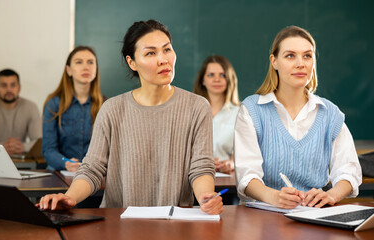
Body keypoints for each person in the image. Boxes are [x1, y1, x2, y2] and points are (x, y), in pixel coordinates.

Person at [38, 19, 223, 215]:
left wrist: (206, 197)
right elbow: (92, 168)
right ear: (132, 62)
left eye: (167, 49)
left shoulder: (197, 107)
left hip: (174, 222)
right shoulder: (112, 109)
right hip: (119, 224)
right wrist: (70, 196)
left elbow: (201, 168)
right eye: (151, 53)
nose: (163, 59)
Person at [235, 26, 362, 209]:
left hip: (313, 216)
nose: (300, 63)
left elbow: (349, 172)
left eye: (307, 56)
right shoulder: (252, 110)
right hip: (264, 217)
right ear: (274, 61)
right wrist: (275, 196)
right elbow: (247, 177)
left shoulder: (330, 114)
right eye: (290, 55)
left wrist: (330, 195)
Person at [42, 46, 104, 172]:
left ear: (96, 69)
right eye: (79, 62)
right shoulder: (54, 104)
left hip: (94, 174)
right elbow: (48, 150)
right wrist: (66, 163)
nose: (86, 67)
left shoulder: (106, 105)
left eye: (90, 62)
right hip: (61, 172)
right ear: (69, 70)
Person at [0, 69, 41, 155]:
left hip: (22, 160)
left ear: (19, 88)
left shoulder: (31, 107)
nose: (9, 89)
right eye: (4, 85)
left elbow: (39, 142)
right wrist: (1, 147)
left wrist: (23, 147)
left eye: (13, 85)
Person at [193, 55, 240, 174]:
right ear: (203, 80)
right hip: (194, 179)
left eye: (222, 75)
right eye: (211, 75)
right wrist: (202, 163)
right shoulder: (190, 112)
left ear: (229, 79)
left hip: (227, 180)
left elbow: (244, 155)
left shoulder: (240, 114)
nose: (217, 79)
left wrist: (231, 164)